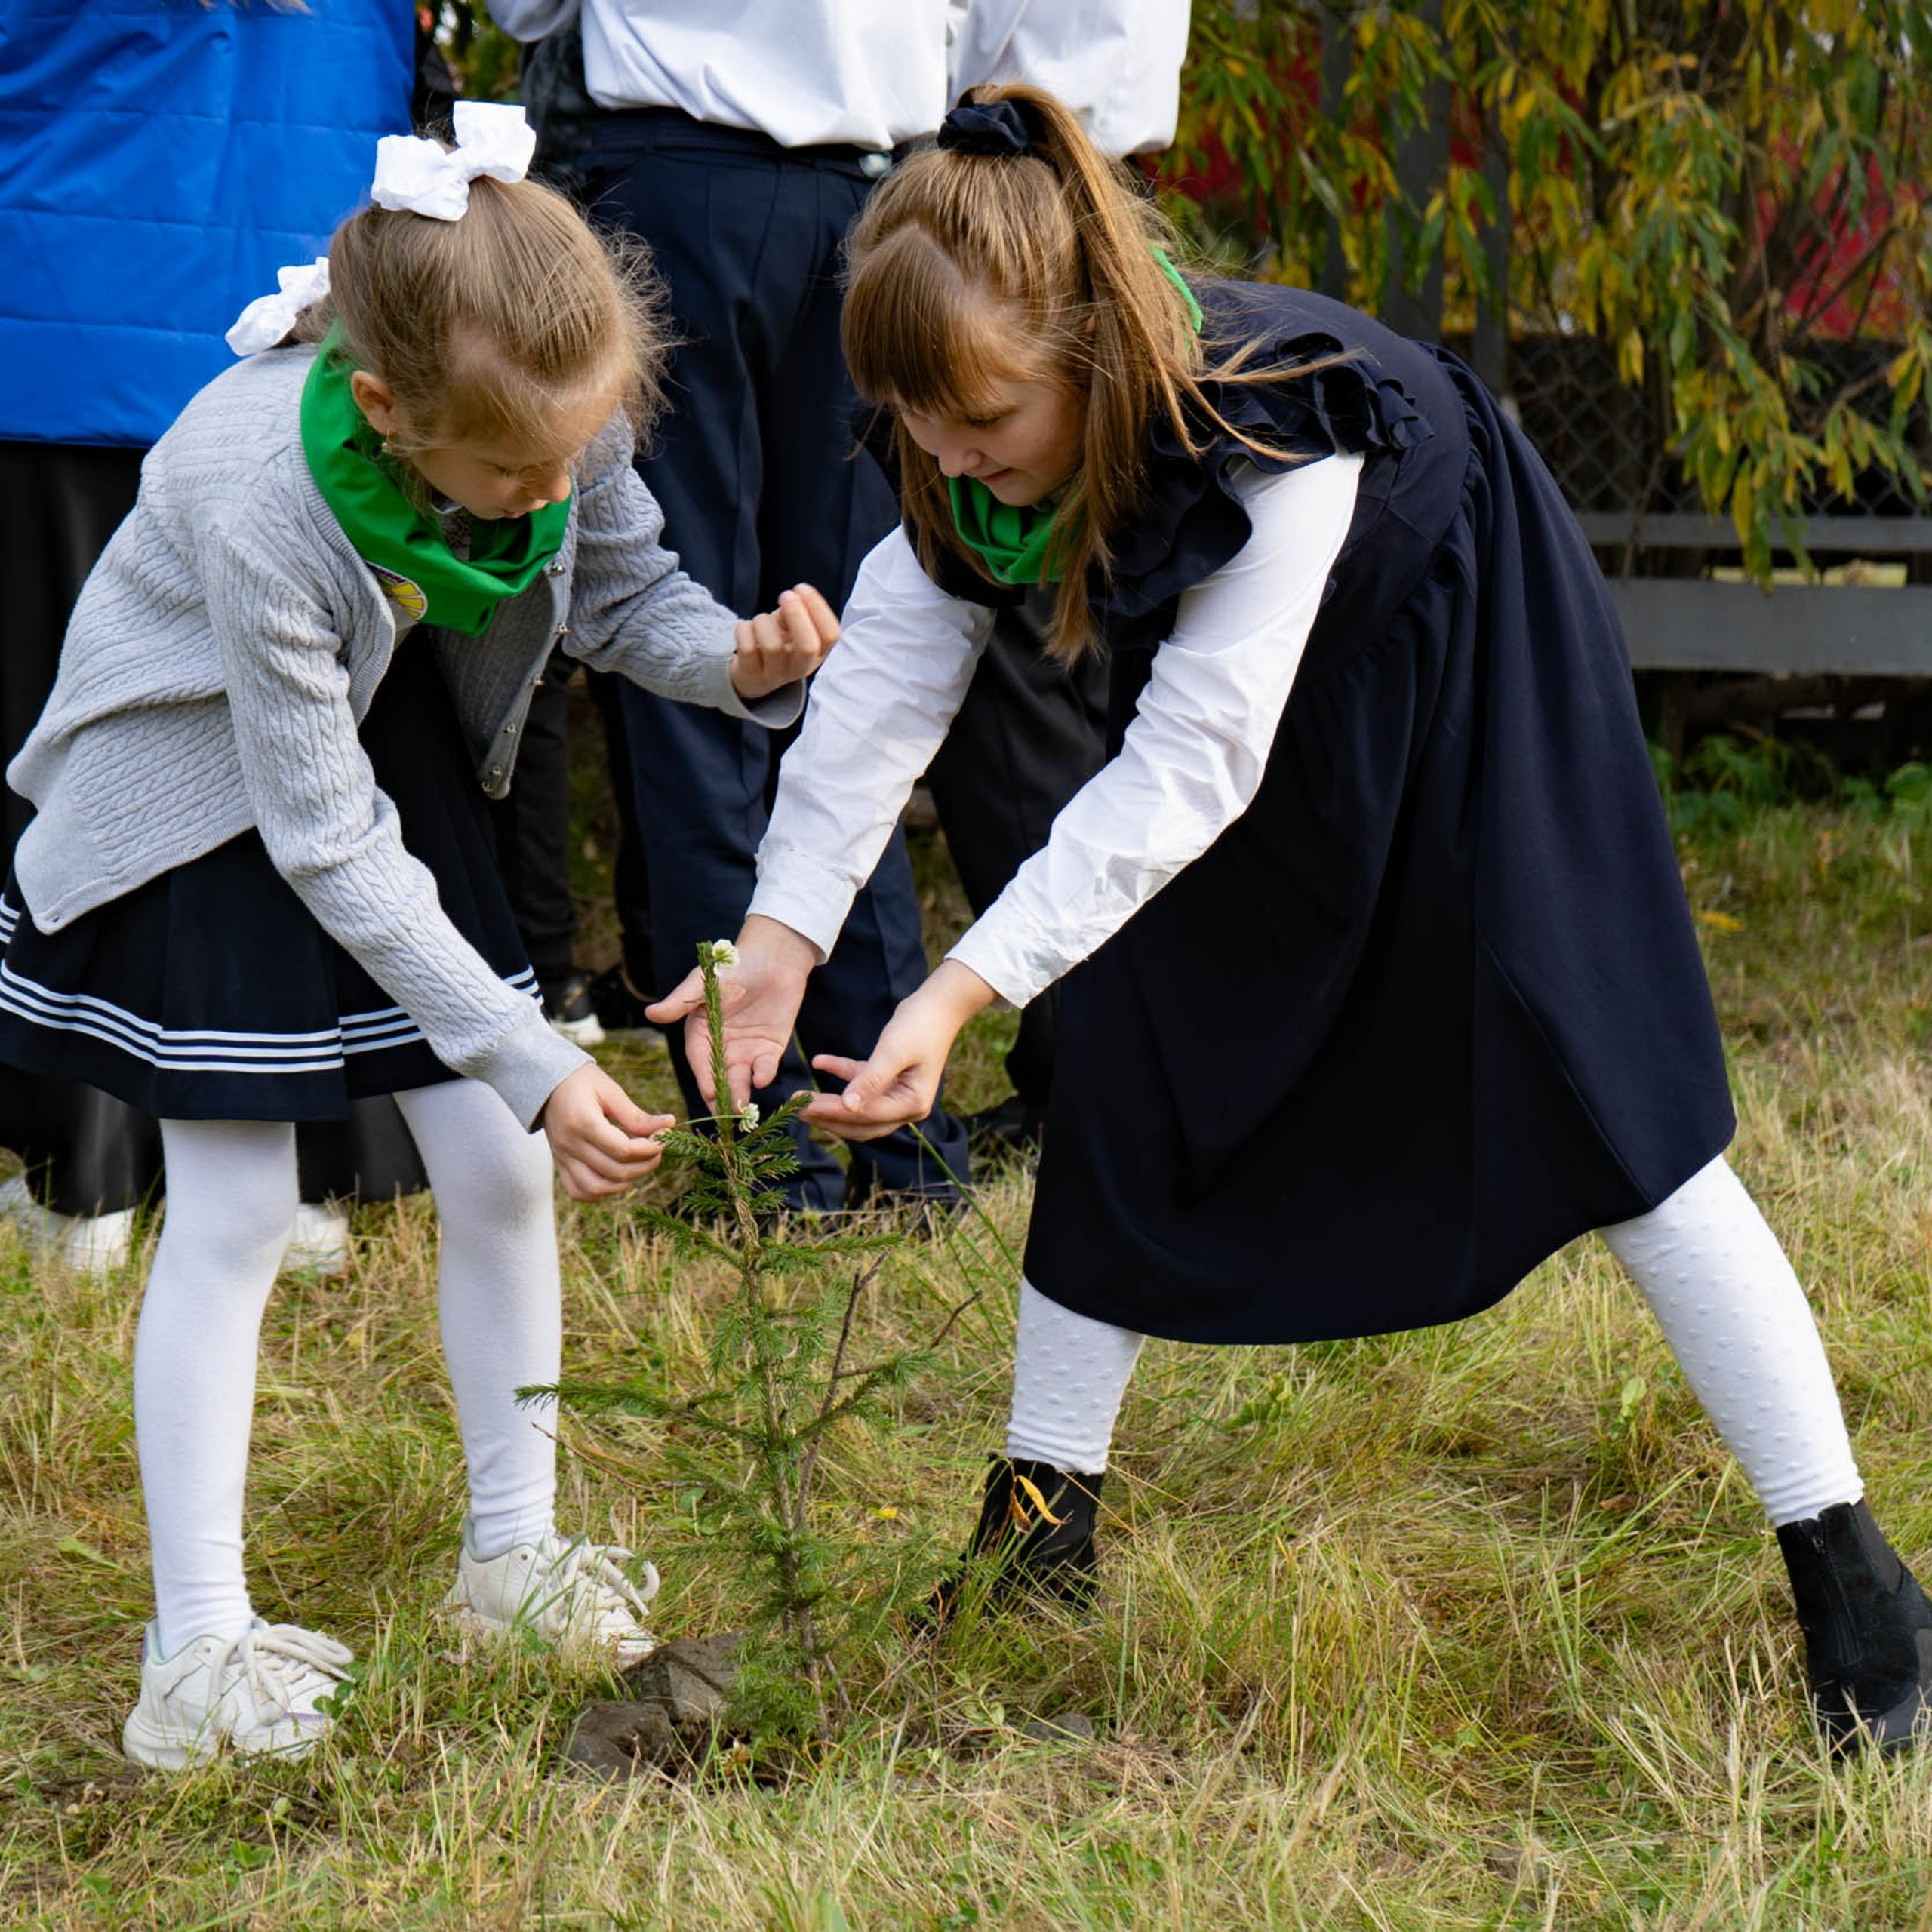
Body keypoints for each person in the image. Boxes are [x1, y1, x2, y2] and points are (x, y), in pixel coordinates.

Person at [653, 85, 1932, 1751]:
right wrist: (777, 944)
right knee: (1123, 1039)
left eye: (979, 419)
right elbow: (891, 674)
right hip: (1244, 703)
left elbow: (1194, 760)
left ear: (1097, 349)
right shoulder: (958, 433)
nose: (948, 461)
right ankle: (1036, 1535)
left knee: (1600, 1086)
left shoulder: (1284, 425)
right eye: (914, 423)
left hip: (1456, 661)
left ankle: (1856, 1587)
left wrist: (957, 987)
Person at [0, 106, 838, 1770]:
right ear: (384, 413)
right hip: (207, 794)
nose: (548, 490)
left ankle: (508, 1555)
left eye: (567, 460)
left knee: (499, 1164)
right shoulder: (258, 492)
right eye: (510, 477)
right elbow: (320, 840)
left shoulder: (553, 403)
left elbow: (614, 596)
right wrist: (532, 1054)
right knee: (237, 1202)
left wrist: (737, 660)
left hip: (385, 749)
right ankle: (196, 1650)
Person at [481, 0, 977, 1218]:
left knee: (692, 664)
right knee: (847, 667)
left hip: (680, 173)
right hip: (872, 195)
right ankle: (895, 1136)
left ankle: (762, 1158)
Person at [0, 0, 426, 1275]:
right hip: (304, 292)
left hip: (83, 284)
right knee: (312, 747)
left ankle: (93, 1165)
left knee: (94, 745)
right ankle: (304, 1157)